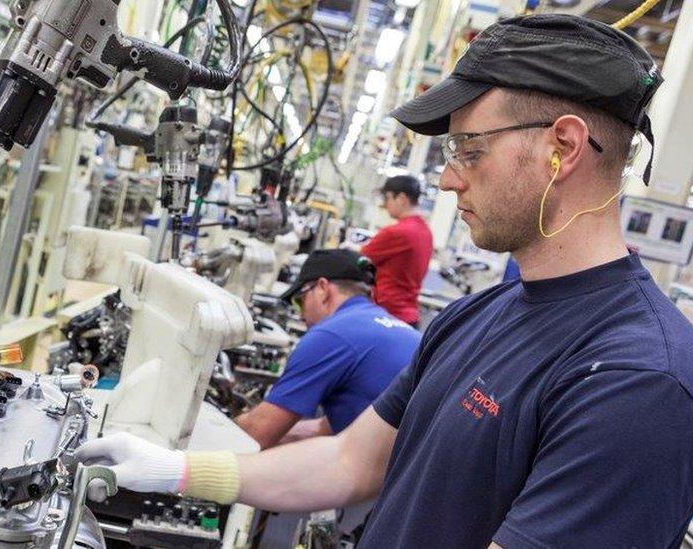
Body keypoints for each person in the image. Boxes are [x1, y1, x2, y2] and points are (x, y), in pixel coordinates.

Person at [78, 15, 693, 548]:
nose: (449, 181)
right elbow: (350, 462)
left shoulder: (637, 382)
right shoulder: (479, 314)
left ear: (564, 146)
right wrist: (177, 471)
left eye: (469, 151)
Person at [234, 249, 421, 449]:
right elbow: (329, 428)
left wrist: (220, 420)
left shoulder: (331, 334)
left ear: (322, 288)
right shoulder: (389, 328)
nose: (301, 315)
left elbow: (256, 435)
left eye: (300, 300)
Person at [360, 175, 434, 327]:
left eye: (387, 198)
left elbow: (359, 260)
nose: (386, 205)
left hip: (386, 315)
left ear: (401, 198)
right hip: (409, 317)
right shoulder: (425, 231)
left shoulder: (398, 232)